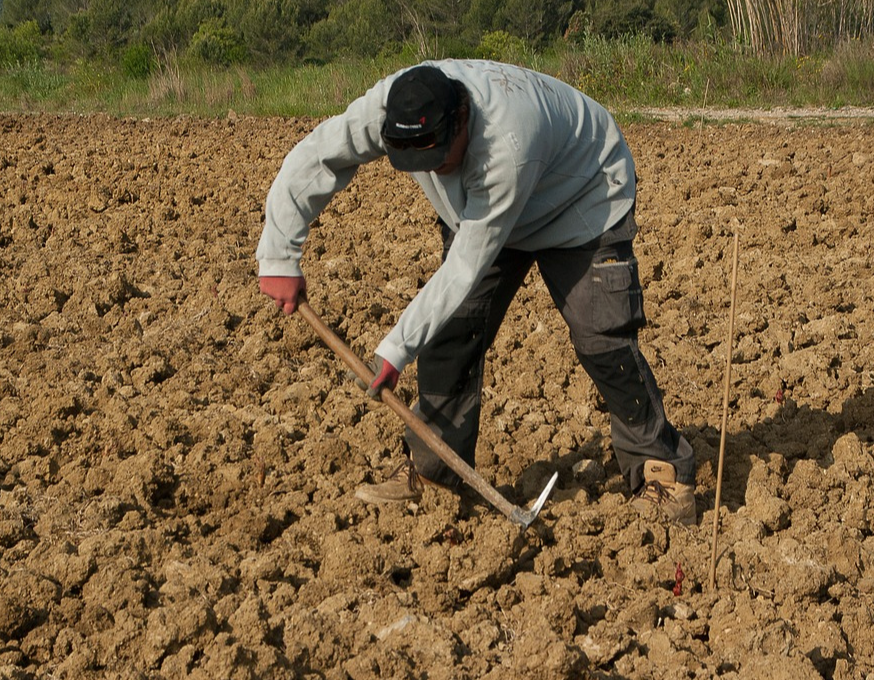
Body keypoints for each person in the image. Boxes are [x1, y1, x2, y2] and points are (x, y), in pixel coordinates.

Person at [257, 60, 697, 524]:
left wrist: (394, 351)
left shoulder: (507, 146)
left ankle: (665, 473)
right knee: (451, 333)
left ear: (461, 121)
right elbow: (317, 155)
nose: (433, 173)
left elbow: (466, 264)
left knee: (602, 339)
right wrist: (279, 255)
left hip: (582, 197)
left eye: (440, 159)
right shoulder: (392, 108)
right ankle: (434, 474)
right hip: (481, 211)